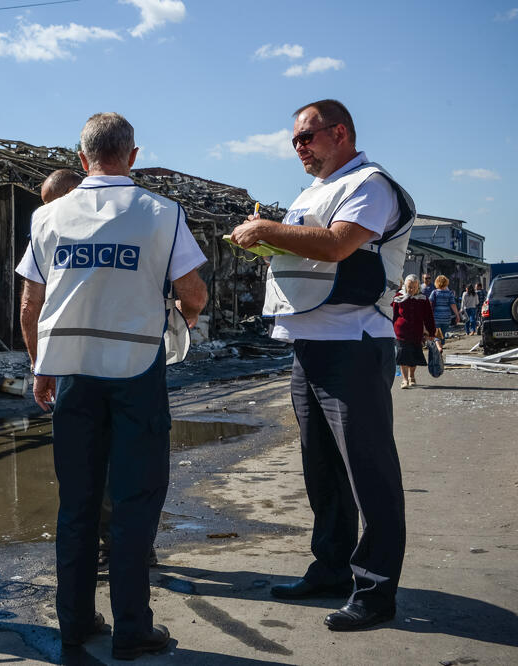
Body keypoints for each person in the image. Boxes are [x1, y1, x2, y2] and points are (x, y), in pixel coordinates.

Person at [17, 113, 207, 659]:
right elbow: (192, 294)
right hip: (134, 373)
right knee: (133, 500)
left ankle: (74, 624)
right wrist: (178, 313)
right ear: (133, 155)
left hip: (72, 374)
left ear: (82, 160)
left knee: (76, 504)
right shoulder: (161, 214)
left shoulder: (48, 217)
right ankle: (132, 628)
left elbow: (30, 304)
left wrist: (40, 364)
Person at [230, 99, 415, 631]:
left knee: (368, 471)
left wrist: (265, 230)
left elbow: (338, 245)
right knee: (323, 471)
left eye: (306, 137)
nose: (299, 149)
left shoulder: (370, 184)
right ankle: (331, 568)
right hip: (308, 343)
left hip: (354, 341)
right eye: (294, 141)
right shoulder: (313, 192)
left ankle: (377, 592)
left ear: (340, 132)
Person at [39, 167, 160, 573]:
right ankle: (125, 551)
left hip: (107, 367)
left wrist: (44, 365)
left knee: (105, 470)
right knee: (112, 467)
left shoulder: (120, 223)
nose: (52, 212)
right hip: (113, 365)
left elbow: (30, 303)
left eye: (54, 202)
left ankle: (123, 549)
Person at [392, 275, 437, 388]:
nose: (411, 289)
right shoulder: (398, 297)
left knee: (414, 355)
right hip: (401, 331)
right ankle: (404, 379)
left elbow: (428, 317)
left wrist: (431, 332)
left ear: (418, 287)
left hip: (416, 332)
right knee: (402, 355)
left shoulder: (423, 299)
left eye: (414, 287)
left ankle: (412, 376)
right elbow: (393, 315)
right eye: (409, 287)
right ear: (405, 286)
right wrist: (389, 330)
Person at [428, 275, 460, 339]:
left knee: (437, 335)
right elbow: (453, 305)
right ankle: (441, 345)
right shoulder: (449, 293)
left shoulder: (434, 292)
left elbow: (430, 303)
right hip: (446, 318)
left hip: (436, 317)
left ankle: (439, 347)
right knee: (443, 333)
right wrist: (457, 315)